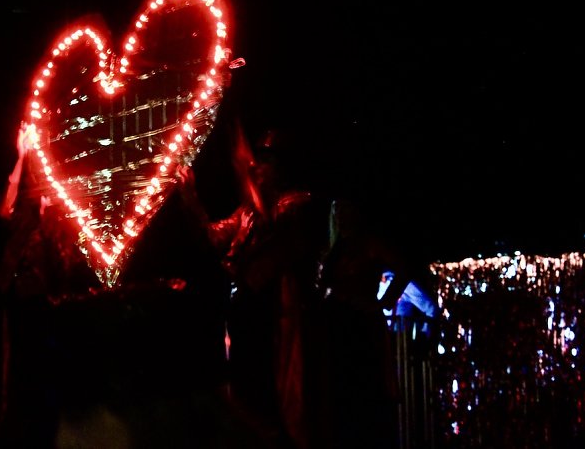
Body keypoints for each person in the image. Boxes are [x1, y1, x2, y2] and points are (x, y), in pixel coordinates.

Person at [178, 120, 321, 449]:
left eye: (265, 161)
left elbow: (276, 229)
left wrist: (241, 161)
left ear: (283, 168)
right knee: (246, 394)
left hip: (279, 318)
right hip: (246, 314)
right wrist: (190, 198)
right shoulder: (248, 211)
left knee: (279, 399)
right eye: (257, 160)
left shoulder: (297, 204)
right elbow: (214, 238)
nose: (257, 167)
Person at [0, 122, 101, 447]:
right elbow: (7, 201)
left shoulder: (51, 221)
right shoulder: (19, 220)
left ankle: (47, 428)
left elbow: (64, 200)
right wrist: (22, 154)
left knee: (45, 372)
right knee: (19, 372)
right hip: (19, 303)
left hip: (45, 305)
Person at [311, 197, 415, 449]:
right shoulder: (337, 248)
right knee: (343, 392)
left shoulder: (367, 244)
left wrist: (383, 302)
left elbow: (404, 267)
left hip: (360, 326)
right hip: (337, 325)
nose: (340, 215)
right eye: (337, 210)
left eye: (345, 208)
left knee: (364, 389)